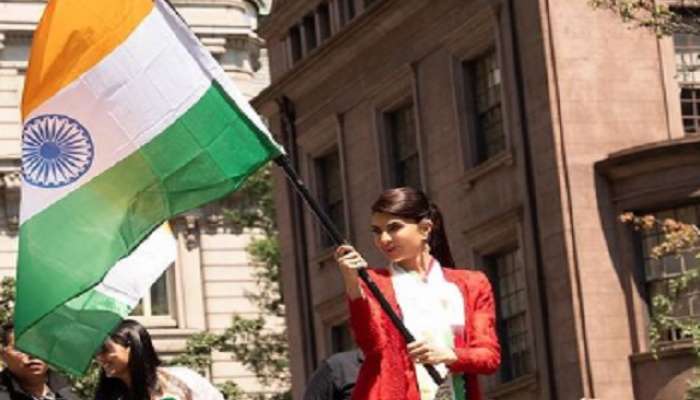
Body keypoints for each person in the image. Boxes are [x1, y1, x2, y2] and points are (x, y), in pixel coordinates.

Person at [335, 187, 500, 400]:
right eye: (377, 231)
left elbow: (489, 357)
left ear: (425, 229)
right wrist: (351, 282)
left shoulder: (472, 284)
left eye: (394, 228)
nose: (384, 239)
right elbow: (372, 346)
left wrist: (450, 355)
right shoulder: (373, 283)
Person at [94, 320, 222, 400]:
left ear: (131, 347)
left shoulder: (180, 380)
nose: (100, 358)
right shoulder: (111, 395)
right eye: (97, 351)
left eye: (106, 350)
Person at [0, 321, 81, 400]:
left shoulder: (67, 390)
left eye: (39, 346)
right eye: (21, 348)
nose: (32, 354)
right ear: (3, 355)